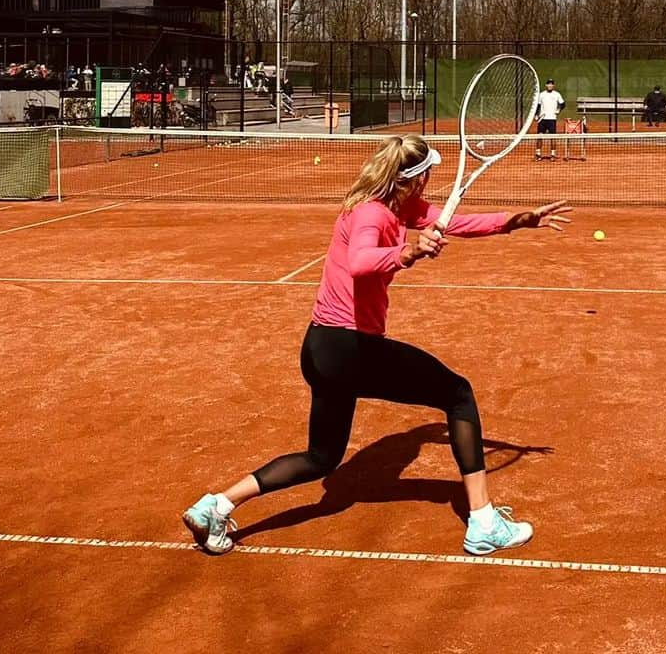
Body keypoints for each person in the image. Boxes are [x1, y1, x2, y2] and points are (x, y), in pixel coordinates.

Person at [182, 134, 570, 557]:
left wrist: (517, 221)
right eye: (428, 176)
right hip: (351, 348)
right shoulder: (372, 215)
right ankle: (483, 522)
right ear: (414, 180)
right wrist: (407, 252)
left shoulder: (393, 207)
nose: (431, 184)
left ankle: (216, 506)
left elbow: (455, 222)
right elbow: (361, 262)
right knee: (458, 394)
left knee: (322, 457)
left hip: (320, 347)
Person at [533, 78, 565, 160]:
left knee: (553, 137)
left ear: (553, 86)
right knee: (540, 136)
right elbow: (538, 106)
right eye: (548, 84)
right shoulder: (541, 94)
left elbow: (563, 104)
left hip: (552, 119)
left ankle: (553, 154)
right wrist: (536, 115)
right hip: (542, 118)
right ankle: (538, 154)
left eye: (551, 84)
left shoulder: (557, 94)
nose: (550, 85)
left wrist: (558, 110)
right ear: (546, 85)